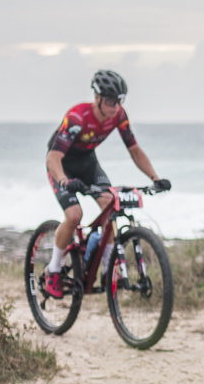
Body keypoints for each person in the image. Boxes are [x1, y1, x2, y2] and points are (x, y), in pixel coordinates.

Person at [42, 69, 169, 298]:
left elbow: (134, 150)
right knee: (74, 215)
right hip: (61, 165)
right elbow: (53, 158)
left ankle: (107, 270)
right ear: (97, 98)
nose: (115, 106)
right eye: (110, 101)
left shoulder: (119, 116)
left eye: (119, 101)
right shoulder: (77, 118)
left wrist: (155, 178)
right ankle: (53, 270)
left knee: (111, 204)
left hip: (87, 163)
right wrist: (64, 181)